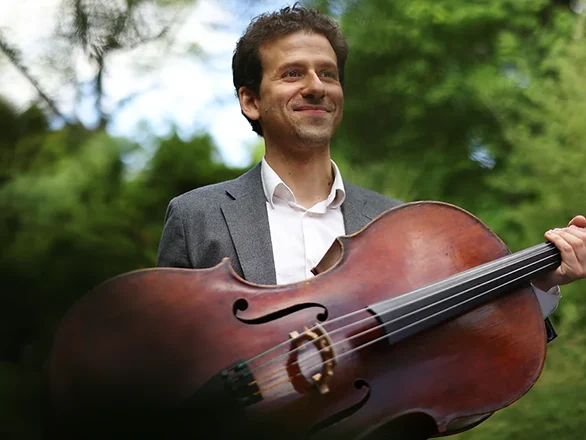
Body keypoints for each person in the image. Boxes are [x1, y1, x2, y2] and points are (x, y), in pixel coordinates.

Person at [156, 4, 586, 438]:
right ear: (251, 101)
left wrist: (542, 282)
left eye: (328, 74)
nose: (315, 87)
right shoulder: (198, 215)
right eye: (292, 74)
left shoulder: (396, 224)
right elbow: (160, 365)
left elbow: (454, 357)